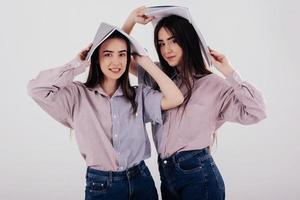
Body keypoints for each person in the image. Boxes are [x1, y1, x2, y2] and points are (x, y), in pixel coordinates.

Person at [122, 6, 267, 200]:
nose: (167, 49)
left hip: (199, 176)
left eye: (174, 41)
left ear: (187, 41)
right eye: (162, 43)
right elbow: (118, 58)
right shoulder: (158, 77)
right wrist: (130, 21)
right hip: (166, 175)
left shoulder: (212, 84)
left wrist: (230, 72)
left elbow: (256, 111)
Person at [27, 22, 184, 200]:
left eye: (122, 55)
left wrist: (146, 63)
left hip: (142, 181)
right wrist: (77, 63)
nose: (116, 62)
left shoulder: (139, 95)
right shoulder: (77, 95)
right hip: (102, 186)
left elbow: (175, 98)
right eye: (108, 54)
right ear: (96, 58)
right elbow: (36, 89)